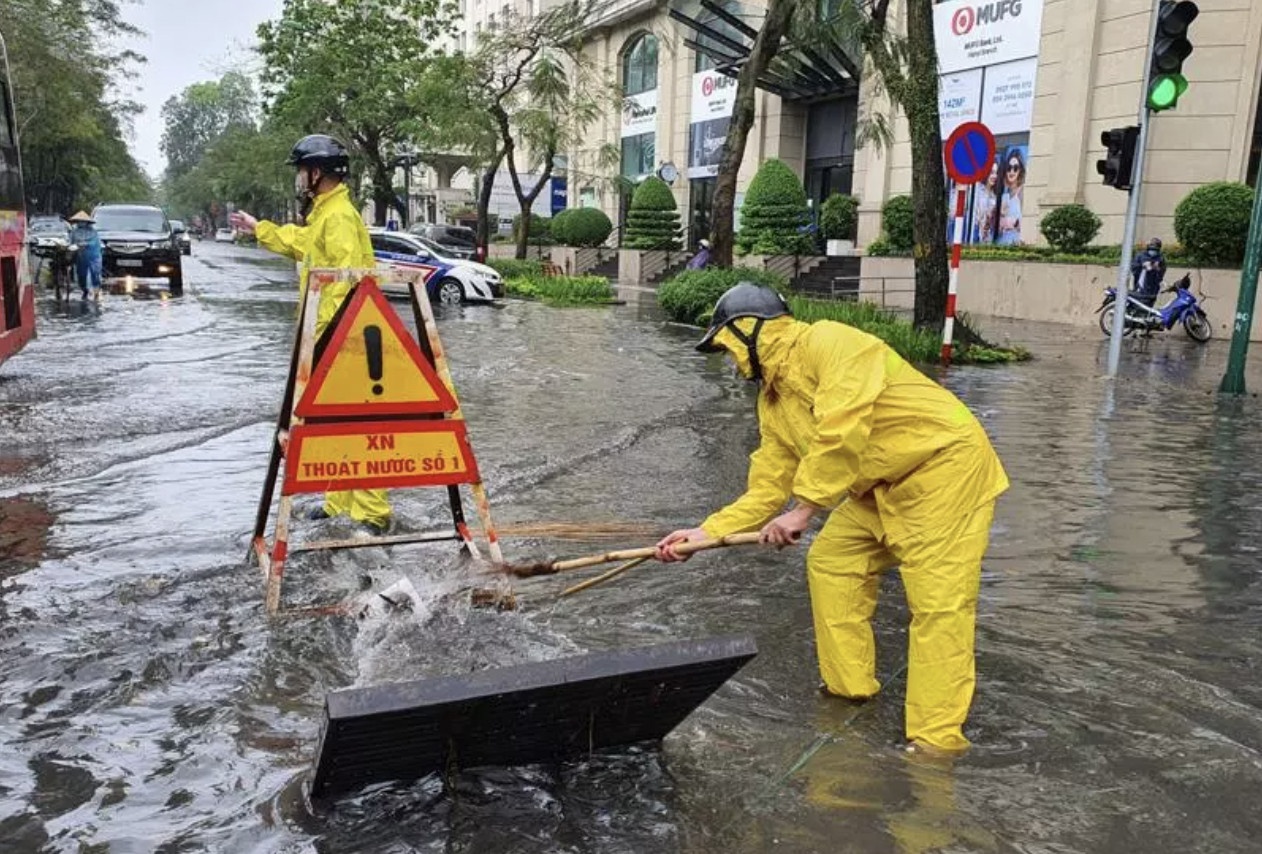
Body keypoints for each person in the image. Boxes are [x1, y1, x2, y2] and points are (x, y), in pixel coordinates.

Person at [655, 283, 1009, 755]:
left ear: (749, 329)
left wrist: (804, 510)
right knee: (832, 563)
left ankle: (935, 743)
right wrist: (704, 534)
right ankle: (850, 690)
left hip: (943, 472)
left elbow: (842, 429)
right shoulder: (774, 400)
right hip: (877, 489)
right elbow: (767, 485)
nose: (730, 359)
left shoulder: (831, 342)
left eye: (727, 345)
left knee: (939, 608)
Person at [229, 134, 391, 535]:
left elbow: (345, 279)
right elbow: (301, 244)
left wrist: (323, 340)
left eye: (302, 171)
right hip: (333, 335)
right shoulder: (325, 214)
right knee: (333, 425)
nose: (300, 179)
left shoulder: (337, 217)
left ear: (317, 173)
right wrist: (259, 229)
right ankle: (338, 503)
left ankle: (372, 513)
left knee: (357, 427)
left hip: (344, 338)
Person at [67, 211, 102, 299]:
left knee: (95, 273)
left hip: (93, 256)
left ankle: (96, 291)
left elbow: (94, 243)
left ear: (87, 222)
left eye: (82, 221)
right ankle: (84, 290)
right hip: (80, 256)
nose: (80, 223)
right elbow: (70, 242)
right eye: (79, 221)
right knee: (81, 274)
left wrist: (85, 244)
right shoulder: (74, 232)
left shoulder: (93, 232)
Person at [997, 149, 1025, 246]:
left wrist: (1014, 223)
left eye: (1015, 168)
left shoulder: (1022, 191)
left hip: (1015, 243)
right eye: (1009, 168)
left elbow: (1027, 221)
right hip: (1002, 242)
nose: (1011, 171)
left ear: (1020, 170)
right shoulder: (1005, 194)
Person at [1130, 237, 1167, 307]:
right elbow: (1134, 268)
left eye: (1155, 250)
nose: (1153, 251)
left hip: (1153, 288)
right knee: (1137, 304)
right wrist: (1143, 266)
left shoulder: (1160, 258)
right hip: (1141, 287)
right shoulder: (1140, 256)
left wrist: (1157, 268)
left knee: (1149, 306)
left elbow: (1162, 271)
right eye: (1151, 249)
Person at [972, 162, 1000, 244]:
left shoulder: (994, 196)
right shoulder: (977, 190)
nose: (995, 176)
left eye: (996, 173)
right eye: (992, 172)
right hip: (974, 232)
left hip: (986, 236)